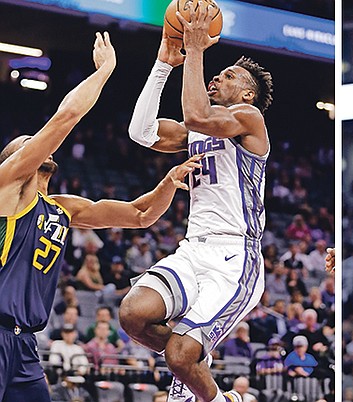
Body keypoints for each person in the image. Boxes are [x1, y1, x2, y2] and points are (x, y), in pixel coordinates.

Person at [0, 32, 202, 401]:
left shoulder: (62, 207)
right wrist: (106, 70)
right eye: (25, 144)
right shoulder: (5, 187)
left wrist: (169, 183)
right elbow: (66, 116)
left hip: (25, 343)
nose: (36, 144)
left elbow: (140, 215)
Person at [120, 4, 273, 402]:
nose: (218, 78)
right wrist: (163, 65)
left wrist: (196, 49)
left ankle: (197, 379)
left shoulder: (249, 118)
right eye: (218, 73)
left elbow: (199, 115)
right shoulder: (196, 128)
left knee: (180, 355)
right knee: (133, 314)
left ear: (247, 93)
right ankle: (193, 368)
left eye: (230, 76)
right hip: (193, 249)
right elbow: (141, 132)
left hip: (234, 257)